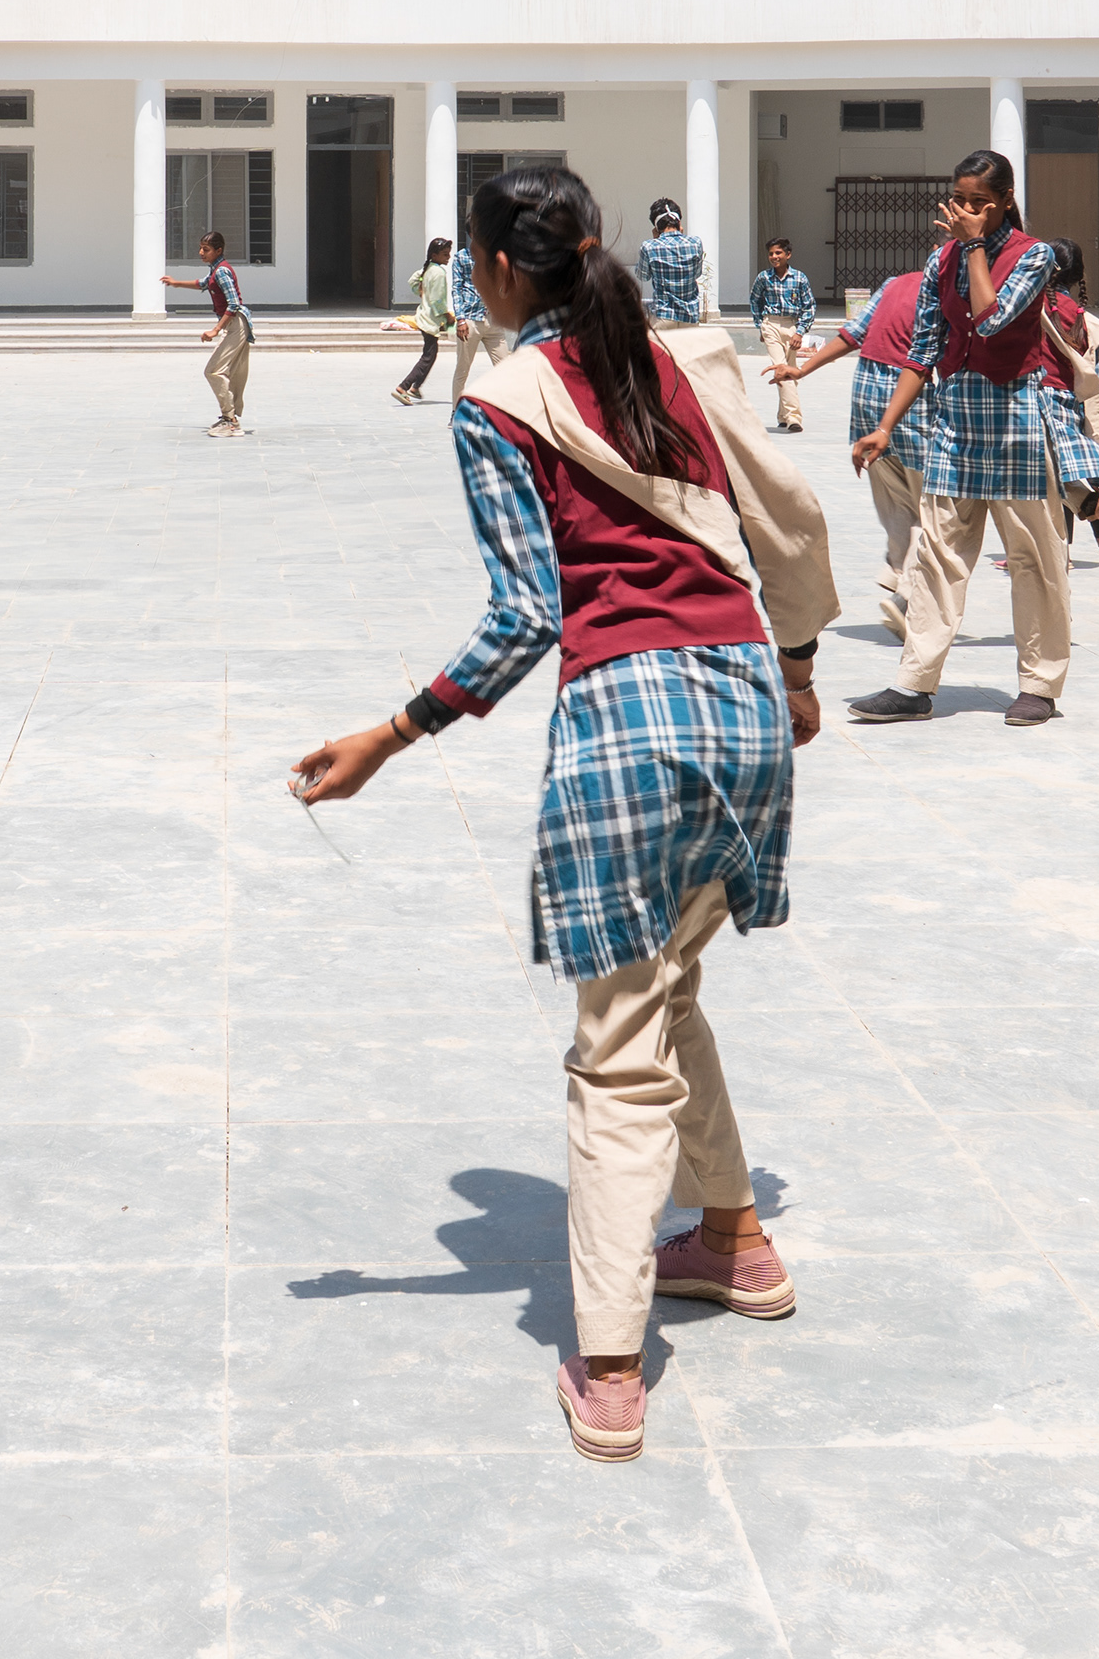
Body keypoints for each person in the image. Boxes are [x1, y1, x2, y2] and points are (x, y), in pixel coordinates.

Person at [294, 167, 833, 1468]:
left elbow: (527, 612)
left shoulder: (500, 398)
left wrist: (390, 734)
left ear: (489, 268)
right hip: (746, 707)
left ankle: (609, 1359)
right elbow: (791, 514)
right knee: (669, 982)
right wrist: (803, 667)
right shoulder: (678, 356)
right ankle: (734, 1240)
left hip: (629, 727)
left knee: (617, 1049)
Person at [850, 150, 1075, 729]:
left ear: (1005, 201)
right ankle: (913, 683)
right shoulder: (940, 260)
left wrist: (974, 247)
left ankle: (1039, 685)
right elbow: (923, 349)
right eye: (960, 199)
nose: (967, 210)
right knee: (936, 556)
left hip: (1016, 420)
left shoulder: (1034, 256)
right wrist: (885, 426)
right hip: (955, 422)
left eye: (980, 202)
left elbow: (992, 319)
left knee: (1034, 559)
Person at [770, 260, 937, 618]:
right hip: (910, 403)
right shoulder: (950, 292)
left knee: (896, 503)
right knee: (932, 510)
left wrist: (802, 370)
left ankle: (897, 569)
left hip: (866, 397)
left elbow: (852, 335)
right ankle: (906, 593)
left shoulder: (893, 284)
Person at [1037, 237, 1099, 559]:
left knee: (1040, 476)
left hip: (1038, 398)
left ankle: (1089, 509)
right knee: (1057, 473)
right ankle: (1093, 512)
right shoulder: (1083, 318)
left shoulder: (1032, 305)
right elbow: (1091, 376)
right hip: (1069, 402)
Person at [164, 231, 253, 435]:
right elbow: (203, 284)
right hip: (234, 325)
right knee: (228, 372)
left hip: (236, 324)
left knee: (213, 371)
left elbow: (233, 304)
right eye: (201, 248)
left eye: (206, 249)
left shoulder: (222, 271)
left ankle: (230, 421)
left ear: (218, 250)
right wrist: (176, 283)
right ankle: (229, 417)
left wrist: (215, 330)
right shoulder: (215, 270)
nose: (201, 252)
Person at [747, 238, 816, 433]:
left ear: (788, 254)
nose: (774, 257)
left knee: (790, 369)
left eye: (778, 253)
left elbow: (809, 307)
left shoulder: (799, 278)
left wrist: (800, 332)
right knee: (780, 366)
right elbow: (755, 301)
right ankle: (794, 417)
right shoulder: (763, 278)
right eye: (771, 253)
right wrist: (761, 326)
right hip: (771, 324)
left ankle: (782, 416)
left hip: (791, 326)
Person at [393, 235, 458, 405]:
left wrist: (421, 291)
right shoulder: (438, 273)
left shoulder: (428, 268)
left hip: (423, 316)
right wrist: (447, 315)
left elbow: (413, 281)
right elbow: (438, 300)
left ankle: (415, 387)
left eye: (448, 253)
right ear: (434, 255)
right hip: (430, 320)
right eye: (445, 254)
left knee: (430, 354)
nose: (448, 257)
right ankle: (403, 387)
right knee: (428, 357)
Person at [638, 198, 707, 327]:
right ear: (679, 222)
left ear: (656, 226)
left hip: (663, 316)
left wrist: (655, 240)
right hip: (690, 316)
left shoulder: (649, 246)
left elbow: (643, 276)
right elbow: (697, 273)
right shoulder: (695, 243)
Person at [445, 239, 490, 400]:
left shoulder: (494, 254)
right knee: (462, 370)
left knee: (506, 366)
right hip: (470, 320)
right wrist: (461, 319)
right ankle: (455, 409)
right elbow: (456, 289)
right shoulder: (462, 257)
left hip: (492, 320)